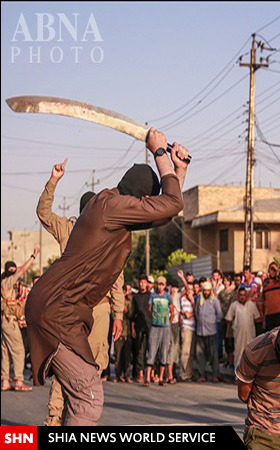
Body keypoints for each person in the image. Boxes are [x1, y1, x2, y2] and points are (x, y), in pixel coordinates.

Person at [25, 129, 188, 425]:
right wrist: (159, 153)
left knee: (82, 390)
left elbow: (166, 212)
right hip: (57, 309)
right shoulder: (110, 206)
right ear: (141, 197)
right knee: (88, 395)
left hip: (65, 310)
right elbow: (170, 204)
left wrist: (179, 169)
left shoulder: (113, 209)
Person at [36, 158, 126, 423]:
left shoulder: (110, 232)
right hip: (70, 308)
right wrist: (53, 181)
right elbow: (43, 212)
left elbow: (117, 275)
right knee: (67, 366)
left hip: (98, 309)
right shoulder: (68, 228)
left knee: (92, 368)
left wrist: (118, 312)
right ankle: (54, 419)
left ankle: (79, 418)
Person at [1, 253, 39, 392]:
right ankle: (19, 381)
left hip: (4, 321)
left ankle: (5, 381)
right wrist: (33, 256)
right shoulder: (8, 283)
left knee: (6, 351)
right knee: (19, 351)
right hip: (10, 321)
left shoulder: (3, 284)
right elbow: (22, 270)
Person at [144, 276, 174, 387]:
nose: (160, 286)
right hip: (155, 326)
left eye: (162, 284)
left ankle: (161, 377)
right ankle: (147, 378)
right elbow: (150, 308)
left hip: (165, 327)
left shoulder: (168, 297)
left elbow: (172, 310)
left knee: (164, 351)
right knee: (152, 350)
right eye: (159, 284)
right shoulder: (153, 295)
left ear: (165, 285)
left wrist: (168, 322)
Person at [195, 281, 223, 383]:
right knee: (200, 354)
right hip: (200, 331)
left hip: (211, 331)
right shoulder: (199, 300)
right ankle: (202, 375)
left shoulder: (215, 301)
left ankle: (215, 374)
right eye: (204, 290)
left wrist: (213, 323)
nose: (206, 292)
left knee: (213, 354)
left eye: (208, 290)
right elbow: (197, 313)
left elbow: (219, 314)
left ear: (210, 291)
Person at [226, 287, 260, 368]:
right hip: (238, 335)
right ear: (238, 296)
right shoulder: (234, 305)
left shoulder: (251, 305)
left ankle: (250, 376)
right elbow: (229, 320)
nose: (242, 297)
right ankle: (238, 376)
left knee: (251, 354)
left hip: (250, 334)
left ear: (246, 296)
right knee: (238, 354)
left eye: (244, 295)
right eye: (240, 295)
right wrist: (229, 334)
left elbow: (257, 319)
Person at [132, 275, 152, 383]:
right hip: (139, 325)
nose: (142, 284)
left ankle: (152, 373)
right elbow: (133, 313)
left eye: (144, 283)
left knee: (151, 349)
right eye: (141, 282)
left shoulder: (151, 295)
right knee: (140, 350)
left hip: (150, 324)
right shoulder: (135, 296)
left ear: (147, 284)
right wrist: (133, 328)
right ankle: (140, 373)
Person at [178, 272, 197, 382]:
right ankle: (183, 374)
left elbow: (196, 311)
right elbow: (185, 313)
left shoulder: (193, 300)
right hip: (186, 327)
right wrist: (183, 278)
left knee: (191, 352)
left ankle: (189, 373)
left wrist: (193, 302)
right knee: (185, 352)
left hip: (194, 327)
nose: (190, 291)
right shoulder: (183, 299)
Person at [113, 284, 134, 382]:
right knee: (118, 355)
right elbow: (113, 314)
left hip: (127, 331)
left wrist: (127, 311)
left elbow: (132, 315)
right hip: (118, 332)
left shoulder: (130, 302)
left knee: (127, 356)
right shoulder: (117, 302)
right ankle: (117, 375)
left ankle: (127, 375)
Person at [262, 263, 280, 332]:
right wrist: (264, 319)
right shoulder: (266, 284)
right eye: (271, 269)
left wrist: (278, 269)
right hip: (269, 314)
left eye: (274, 270)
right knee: (270, 337)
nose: (273, 271)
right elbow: (264, 302)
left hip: (279, 313)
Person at [219, 274, 236, 367]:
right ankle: (228, 360)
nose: (226, 282)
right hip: (223, 317)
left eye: (227, 281)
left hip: (232, 318)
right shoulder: (221, 293)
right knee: (226, 339)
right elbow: (219, 303)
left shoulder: (233, 292)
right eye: (224, 281)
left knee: (232, 340)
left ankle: (232, 360)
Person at [166, 284, 181, 384]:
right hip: (168, 324)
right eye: (173, 287)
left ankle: (172, 373)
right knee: (170, 348)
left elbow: (188, 289)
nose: (174, 289)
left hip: (176, 324)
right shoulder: (167, 297)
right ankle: (169, 374)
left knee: (175, 348)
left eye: (176, 288)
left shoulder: (178, 297)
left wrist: (182, 278)